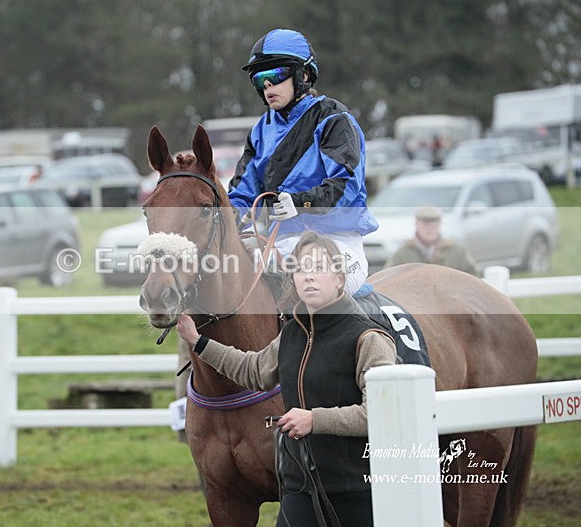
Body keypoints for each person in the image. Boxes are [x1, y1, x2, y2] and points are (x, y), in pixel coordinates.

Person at [176, 232, 396, 527]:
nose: (309, 277)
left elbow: (381, 414)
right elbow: (252, 370)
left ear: (340, 279)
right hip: (300, 488)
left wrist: (314, 420)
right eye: (301, 269)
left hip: (354, 489)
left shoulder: (368, 339)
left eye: (319, 268)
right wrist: (199, 342)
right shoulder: (292, 333)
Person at [228, 28, 378, 296]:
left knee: (310, 290)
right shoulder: (261, 130)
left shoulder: (333, 119)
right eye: (259, 79)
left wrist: (301, 202)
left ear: (304, 75)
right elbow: (242, 195)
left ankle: (370, 338)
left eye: (274, 76)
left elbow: (346, 188)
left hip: (336, 243)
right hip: (281, 243)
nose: (267, 86)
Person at [384, 206, 480, 276]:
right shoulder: (403, 252)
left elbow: (473, 275)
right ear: (416, 224)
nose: (430, 229)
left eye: (434, 224)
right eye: (425, 224)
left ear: (440, 225)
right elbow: (387, 277)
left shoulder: (457, 250)